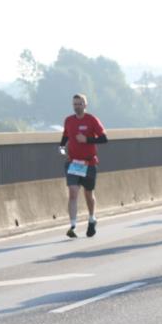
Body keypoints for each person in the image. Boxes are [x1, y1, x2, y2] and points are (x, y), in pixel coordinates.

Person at [59, 94, 107, 238]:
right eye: (75, 104)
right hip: (73, 162)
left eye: (80, 104)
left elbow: (104, 138)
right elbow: (66, 135)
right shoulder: (68, 120)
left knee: (88, 194)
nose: (77, 106)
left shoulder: (92, 120)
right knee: (73, 193)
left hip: (88, 162)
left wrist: (87, 139)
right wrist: (61, 147)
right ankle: (73, 226)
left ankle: (92, 218)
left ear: (85, 105)